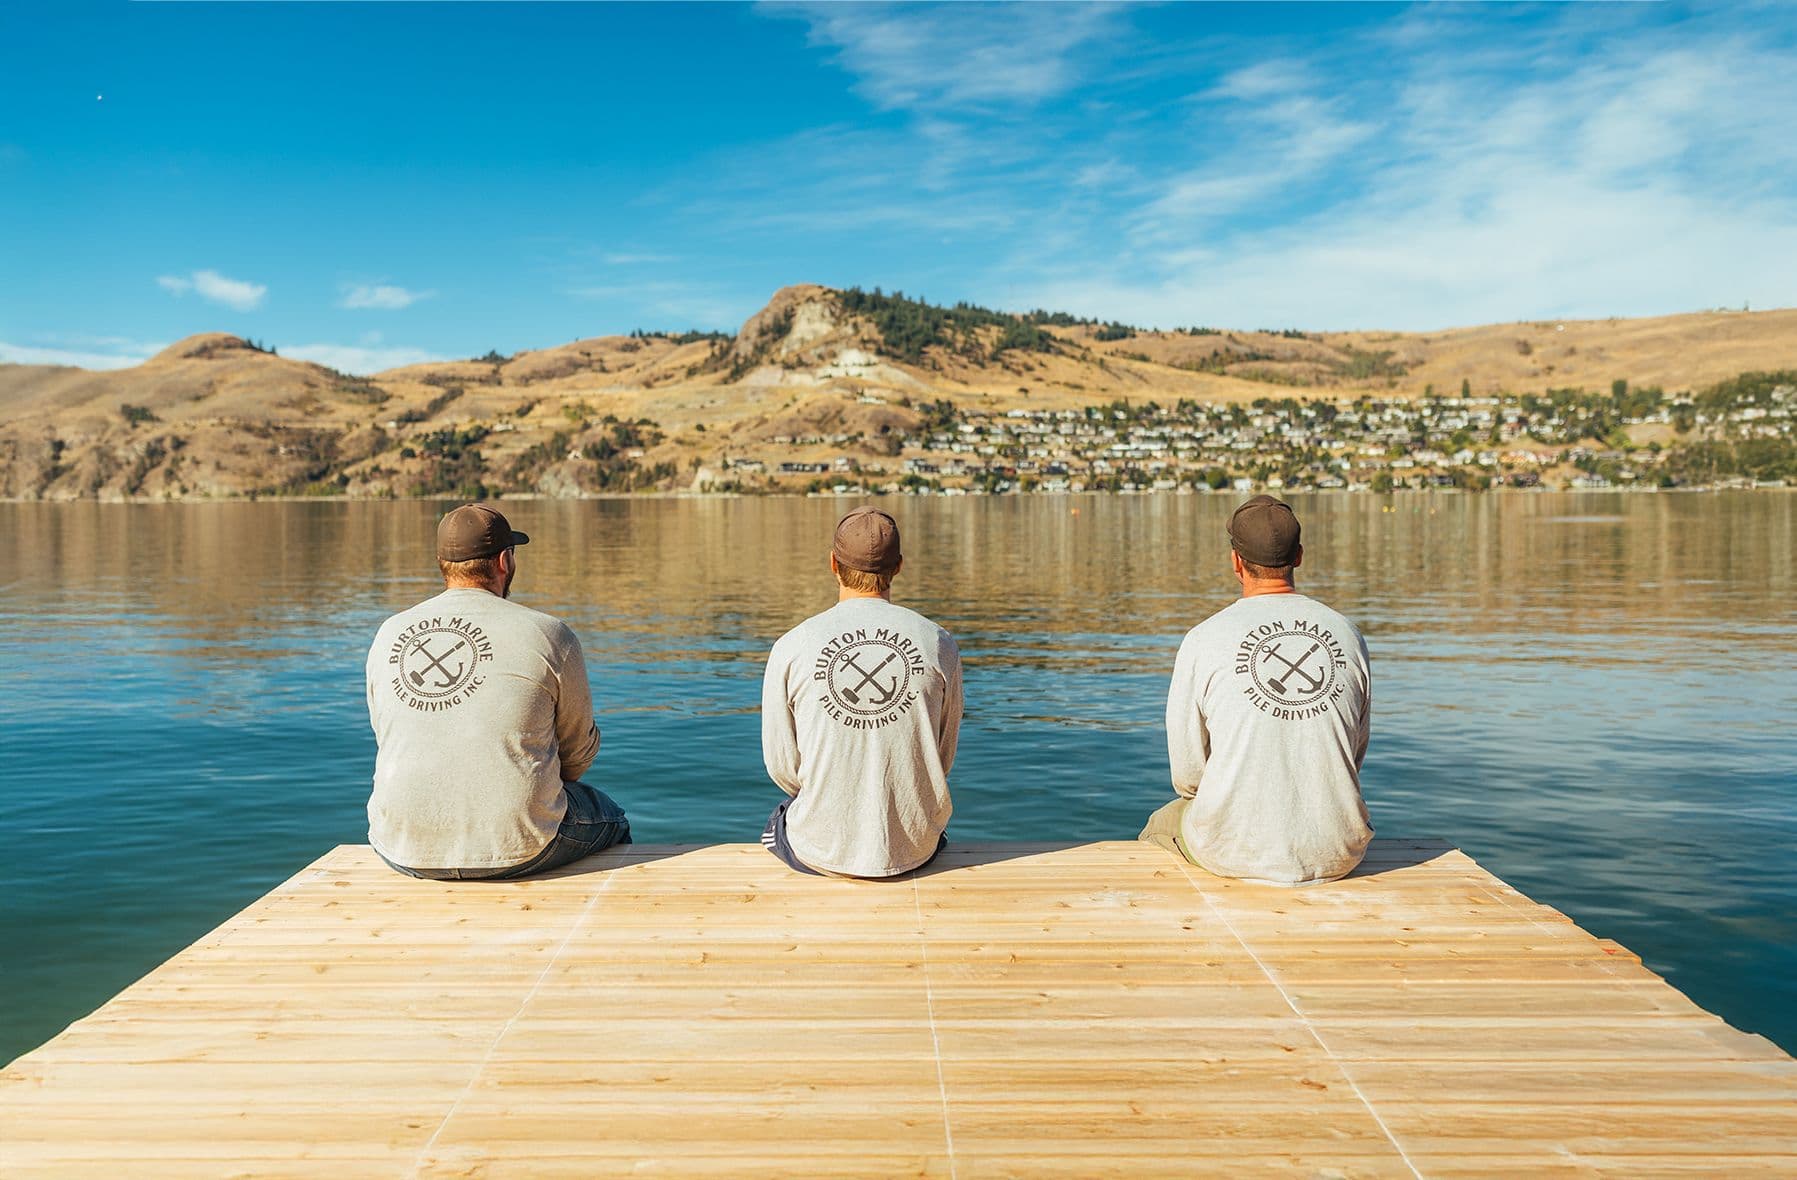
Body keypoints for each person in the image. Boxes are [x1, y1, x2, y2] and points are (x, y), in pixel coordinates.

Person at [365, 503, 628, 880]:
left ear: (442, 563)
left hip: (400, 844)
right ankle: (585, 924)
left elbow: (389, 735)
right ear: (505, 561)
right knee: (610, 816)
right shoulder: (549, 633)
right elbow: (577, 757)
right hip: (523, 847)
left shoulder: (389, 633)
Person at [1139, 495, 1372, 885]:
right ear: (1298, 556)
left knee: (1159, 825)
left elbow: (1188, 777)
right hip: (1339, 851)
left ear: (1235, 561)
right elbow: (1354, 752)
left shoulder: (1203, 639)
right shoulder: (1347, 635)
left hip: (1233, 854)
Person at [759, 507, 962, 878]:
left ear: (833, 564)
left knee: (779, 819)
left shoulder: (792, 645)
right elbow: (941, 757)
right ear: (899, 566)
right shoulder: (938, 643)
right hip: (915, 847)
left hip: (819, 850)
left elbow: (782, 767)